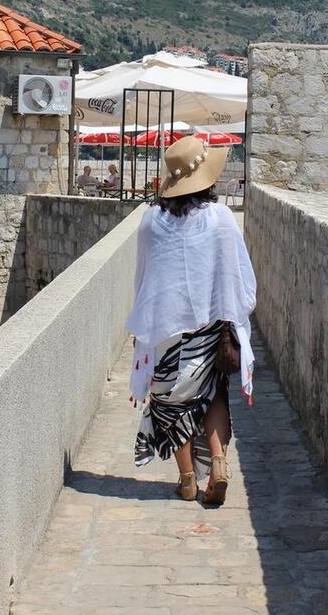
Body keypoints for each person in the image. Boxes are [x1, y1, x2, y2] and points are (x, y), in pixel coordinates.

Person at [126, 136, 256, 505]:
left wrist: (142, 328)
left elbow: (143, 278)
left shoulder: (151, 222)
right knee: (212, 395)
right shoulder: (221, 218)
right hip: (212, 325)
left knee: (171, 403)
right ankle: (218, 463)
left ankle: (186, 480)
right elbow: (239, 274)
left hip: (165, 328)